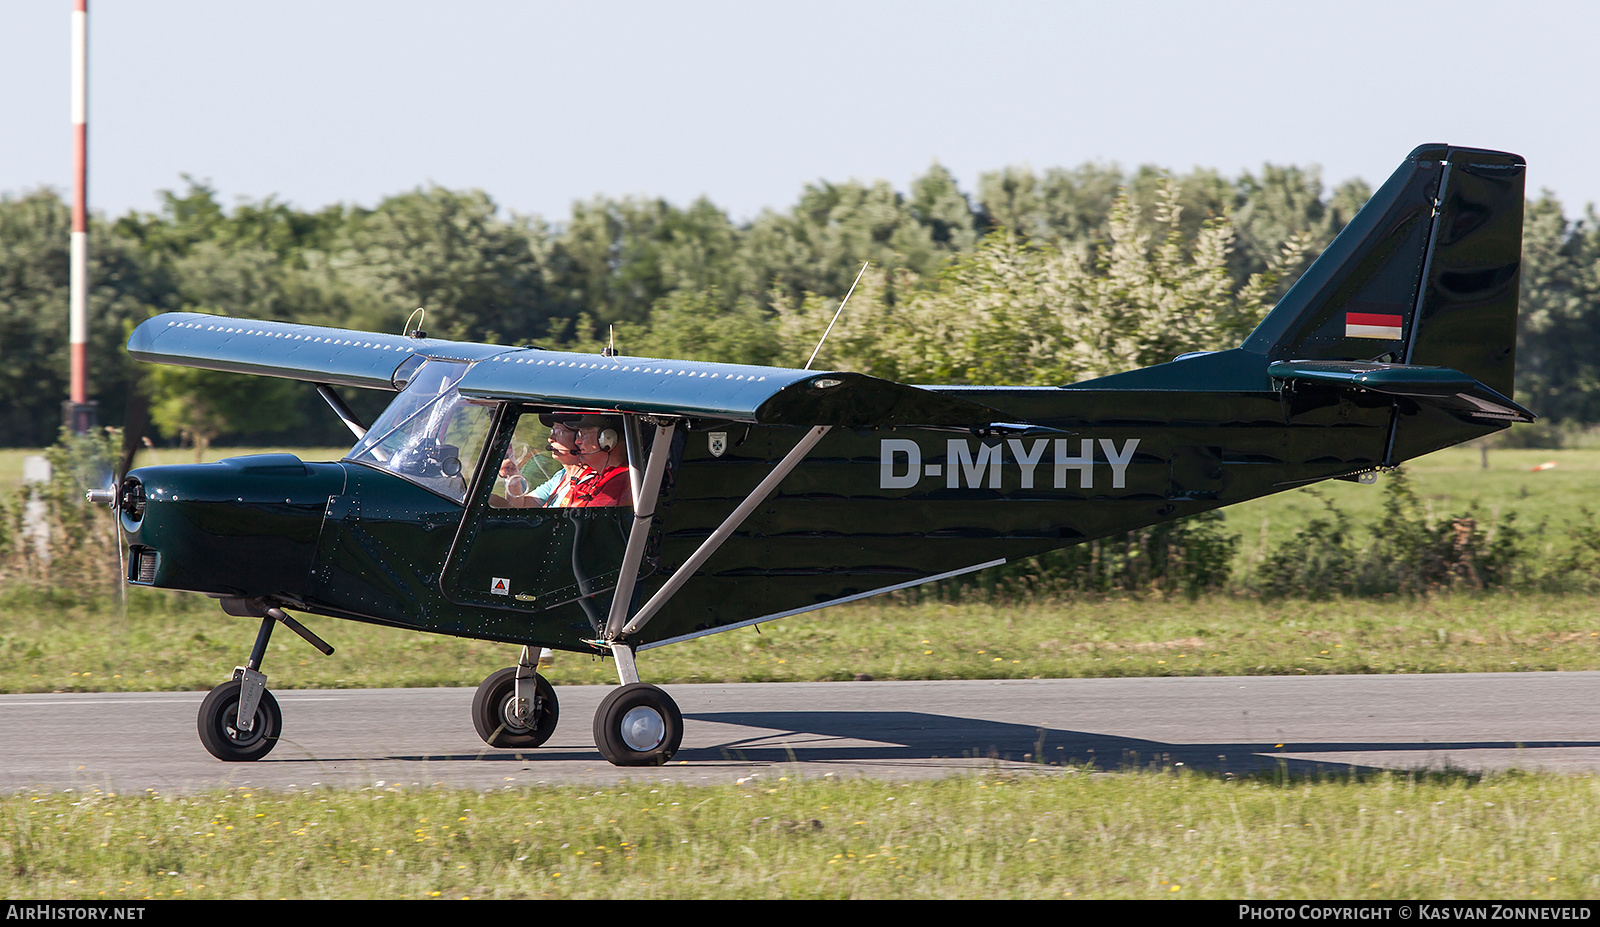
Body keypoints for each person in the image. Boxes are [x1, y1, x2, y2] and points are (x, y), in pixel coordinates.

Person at [565, 415, 632, 508]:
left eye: (583, 434)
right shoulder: (593, 479)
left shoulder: (621, 480)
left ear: (608, 439)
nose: (577, 442)